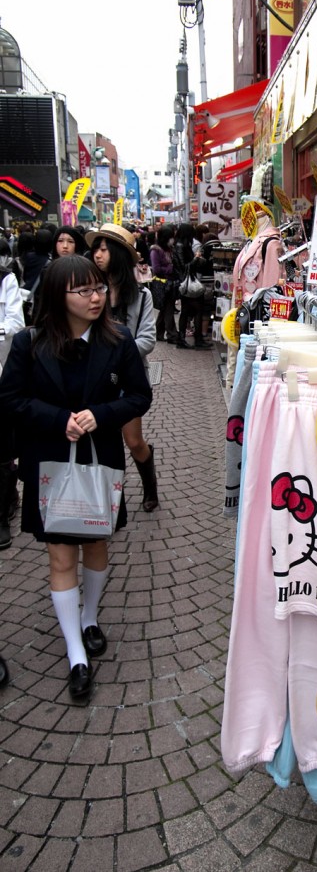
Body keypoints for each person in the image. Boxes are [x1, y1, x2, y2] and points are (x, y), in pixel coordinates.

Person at [0, 254, 152, 699]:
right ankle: (76, 654)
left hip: (99, 459)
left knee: (98, 542)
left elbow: (139, 395)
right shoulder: (30, 343)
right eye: (83, 290)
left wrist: (99, 415)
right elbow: (10, 399)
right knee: (60, 556)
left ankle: (90, 618)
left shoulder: (118, 339)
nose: (95, 297)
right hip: (48, 461)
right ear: (57, 295)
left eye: (99, 288)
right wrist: (57, 419)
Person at [85, 224, 159, 512]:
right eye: (96, 249)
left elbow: (147, 339)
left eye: (104, 249)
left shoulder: (142, 296)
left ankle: (150, 487)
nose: (98, 254)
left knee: (133, 440)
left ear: (117, 254)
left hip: (128, 381)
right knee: (100, 442)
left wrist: (117, 359)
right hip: (93, 380)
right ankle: (109, 501)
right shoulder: (91, 293)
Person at [0, 250, 26, 548]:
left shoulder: (5, 278)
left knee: (3, 445)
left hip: (3, 373)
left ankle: (3, 510)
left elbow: (16, 322)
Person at [173, 223, 211, 349]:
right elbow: (185, 267)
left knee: (187, 311)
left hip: (187, 283)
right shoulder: (180, 247)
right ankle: (195, 340)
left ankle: (185, 339)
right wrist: (196, 258)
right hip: (188, 283)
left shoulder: (183, 245)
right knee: (195, 311)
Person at [150, 224, 180, 343]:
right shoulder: (155, 250)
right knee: (168, 308)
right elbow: (156, 269)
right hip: (163, 284)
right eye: (170, 237)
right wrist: (170, 268)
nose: (172, 240)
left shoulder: (170, 249)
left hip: (171, 283)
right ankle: (172, 334)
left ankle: (159, 333)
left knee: (165, 308)